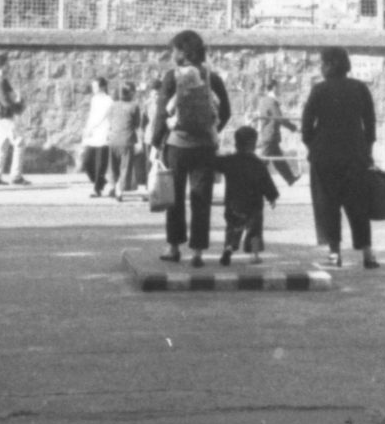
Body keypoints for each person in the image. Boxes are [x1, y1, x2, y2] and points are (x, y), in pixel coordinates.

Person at [150, 29, 231, 268]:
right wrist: (211, 128)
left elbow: (162, 112)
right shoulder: (211, 77)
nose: (172, 53)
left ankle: (173, 247)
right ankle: (197, 252)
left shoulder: (171, 77)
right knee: (201, 199)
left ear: (183, 52)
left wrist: (156, 143)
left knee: (174, 198)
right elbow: (226, 111)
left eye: (174, 49)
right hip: (205, 147)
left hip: (177, 146)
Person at [300, 46, 379, 270]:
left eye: (323, 63)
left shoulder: (319, 90)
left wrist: (313, 146)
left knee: (327, 205)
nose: (321, 67)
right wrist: (367, 150)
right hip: (355, 156)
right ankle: (367, 254)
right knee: (358, 206)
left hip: (324, 157)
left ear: (331, 65)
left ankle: (334, 254)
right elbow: (370, 124)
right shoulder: (360, 88)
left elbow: (306, 126)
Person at [214, 126, 279, 266]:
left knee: (233, 228)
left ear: (236, 143)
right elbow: (266, 183)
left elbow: (215, 163)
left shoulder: (229, 161)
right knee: (254, 232)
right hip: (254, 205)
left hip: (233, 203)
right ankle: (254, 255)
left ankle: (229, 248)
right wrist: (272, 197)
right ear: (254, 144)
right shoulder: (259, 164)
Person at [0, 53, 30, 186]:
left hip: (3, 116)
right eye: (8, 63)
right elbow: (5, 101)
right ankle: (16, 176)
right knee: (19, 142)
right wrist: (18, 106)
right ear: (3, 65)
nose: (9, 66)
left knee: (2, 145)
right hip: (7, 116)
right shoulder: (0, 80)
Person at [252, 79, 300, 186]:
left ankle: (290, 178)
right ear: (274, 87)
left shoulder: (265, 100)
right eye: (279, 87)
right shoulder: (270, 101)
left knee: (278, 160)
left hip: (269, 134)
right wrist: (293, 127)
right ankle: (251, 181)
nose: (280, 89)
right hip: (270, 135)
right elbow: (279, 118)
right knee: (264, 161)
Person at [107, 82, 143, 200]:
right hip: (127, 140)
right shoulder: (134, 106)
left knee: (112, 166)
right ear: (131, 93)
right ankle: (119, 189)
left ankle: (112, 185)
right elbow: (137, 124)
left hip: (112, 139)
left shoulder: (113, 105)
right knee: (125, 167)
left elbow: (110, 120)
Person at [82, 77, 112, 198]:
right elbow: (92, 115)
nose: (94, 89)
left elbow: (101, 117)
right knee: (87, 162)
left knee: (100, 164)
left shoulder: (109, 100)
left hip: (103, 134)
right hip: (93, 135)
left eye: (96, 86)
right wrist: (86, 129)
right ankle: (101, 182)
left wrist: (91, 128)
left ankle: (97, 189)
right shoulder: (94, 99)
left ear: (102, 87)